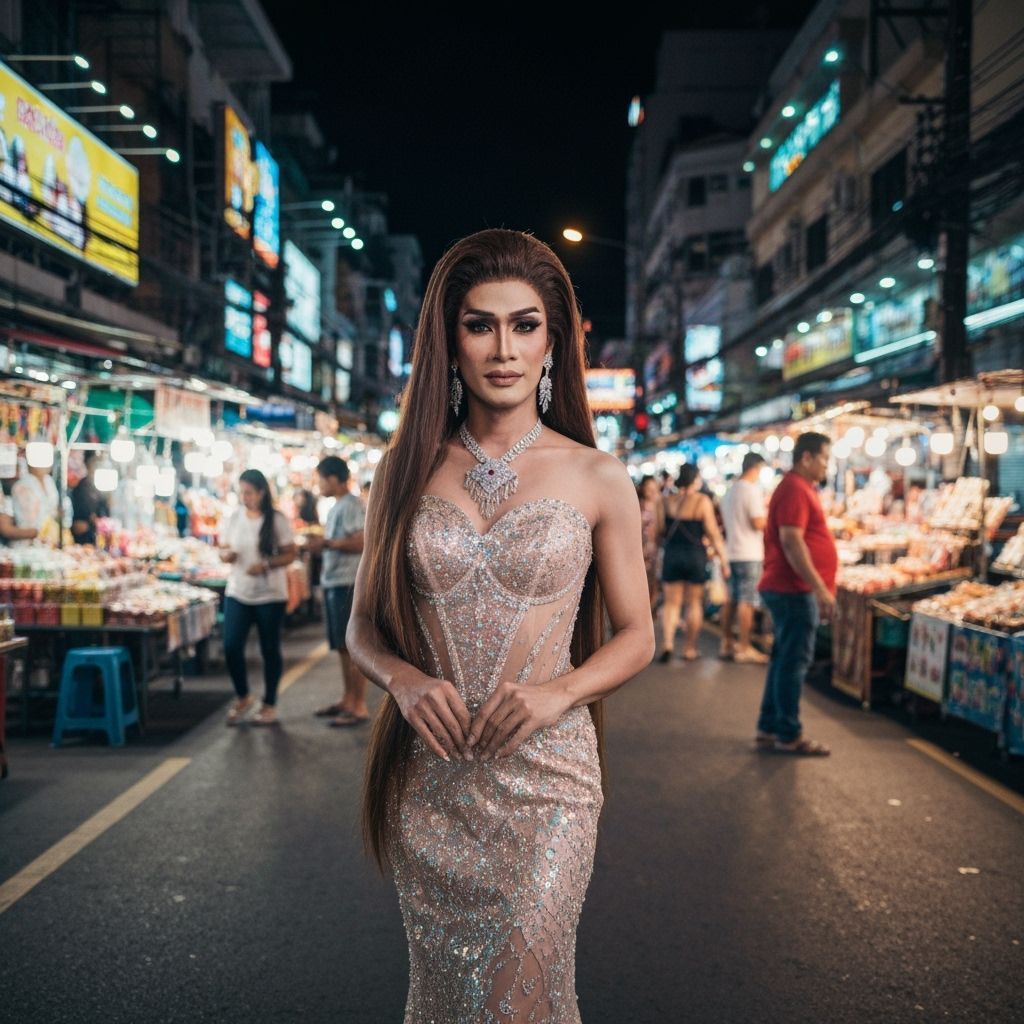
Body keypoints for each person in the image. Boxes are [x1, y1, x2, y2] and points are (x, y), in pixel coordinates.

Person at [345, 228, 655, 1022]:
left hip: (550, 781)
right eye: (480, 324)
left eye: (525, 324)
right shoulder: (405, 467)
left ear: (553, 341)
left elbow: (637, 634)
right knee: (448, 999)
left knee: (520, 997)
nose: (503, 348)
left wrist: (560, 695)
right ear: (450, 339)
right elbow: (361, 630)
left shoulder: (596, 474)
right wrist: (406, 683)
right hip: (432, 777)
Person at [756, 431, 837, 756]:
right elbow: (792, 540)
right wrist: (819, 588)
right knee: (793, 662)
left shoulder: (800, 487)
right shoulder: (794, 488)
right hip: (793, 590)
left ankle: (769, 725)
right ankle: (788, 733)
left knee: (782, 660)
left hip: (788, 588)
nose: (826, 465)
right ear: (807, 457)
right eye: (825, 458)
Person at [219, 469, 298, 726]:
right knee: (231, 646)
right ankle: (243, 695)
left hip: (270, 595)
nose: (245, 497)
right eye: (242, 492)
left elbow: (290, 554)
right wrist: (226, 556)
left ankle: (269, 703)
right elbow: (223, 548)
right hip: (238, 591)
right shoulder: (233, 518)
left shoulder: (277, 520)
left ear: (262, 492)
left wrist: (267, 565)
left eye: (249, 492)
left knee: (269, 649)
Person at [307, 456, 371, 727]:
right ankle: (348, 699)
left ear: (333, 478)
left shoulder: (351, 505)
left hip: (348, 582)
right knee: (342, 647)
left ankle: (358, 705)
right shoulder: (338, 506)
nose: (319, 484)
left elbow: (362, 541)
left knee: (352, 646)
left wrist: (328, 544)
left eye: (321, 478)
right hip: (335, 581)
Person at [657, 464, 729, 663]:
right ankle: (689, 648)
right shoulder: (702, 501)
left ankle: (668, 644)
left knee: (671, 603)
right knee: (694, 603)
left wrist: (656, 558)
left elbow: (659, 531)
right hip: (695, 556)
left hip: (672, 554)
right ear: (695, 479)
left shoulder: (666, 501)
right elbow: (713, 532)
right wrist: (724, 560)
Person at [720, 452, 769, 664]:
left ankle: (726, 642)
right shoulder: (751, 491)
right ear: (755, 468)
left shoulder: (729, 491)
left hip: (732, 551)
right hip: (749, 553)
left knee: (731, 599)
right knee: (746, 602)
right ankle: (744, 646)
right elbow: (758, 522)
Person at [11, 457, 59, 547]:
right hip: (25, 544)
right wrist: (39, 532)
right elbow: (26, 522)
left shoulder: (49, 481)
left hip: (49, 542)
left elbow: (54, 512)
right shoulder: (22, 485)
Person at [638, 474, 665, 614]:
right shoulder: (637, 504)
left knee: (653, 582)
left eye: (653, 488)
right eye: (648, 488)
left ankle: (648, 612)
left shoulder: (659, 505)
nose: (651, 491)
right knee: (639, 582)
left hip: (655, 549)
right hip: (638, 549)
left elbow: (661, 528)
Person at [70, 451, 109, 545]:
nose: (97, 466)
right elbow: (78, 524)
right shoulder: (80, 488)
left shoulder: (103, 485)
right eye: (95, 462)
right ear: (87, 463)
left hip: (100, 537)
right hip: (83, 539)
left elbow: (105, 512)